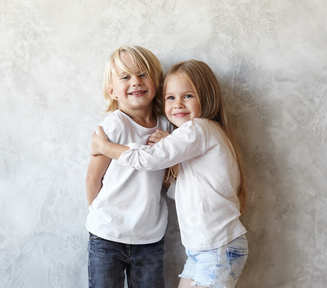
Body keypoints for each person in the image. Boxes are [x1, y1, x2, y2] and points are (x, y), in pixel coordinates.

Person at [90, 60, 248, 288]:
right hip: (205, 250)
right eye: (170, 98)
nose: (178, 105)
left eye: (188, 96)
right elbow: (181, 191)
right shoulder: (205, 133)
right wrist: (171, 159)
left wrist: (105, 147)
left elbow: (149, 158)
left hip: (216, 249)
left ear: (207, 97)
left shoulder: (198, 129)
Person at [85, 45, 170, 288]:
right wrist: (99, 214)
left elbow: (167, 181)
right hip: (107, 236)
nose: (136, 82)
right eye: (126, 77)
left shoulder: (166, 127)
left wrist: (167, 149)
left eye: (143, 74)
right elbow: (93, 178)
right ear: (113, 91)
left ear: (156, 81)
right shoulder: (113, 127)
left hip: (149, 237)